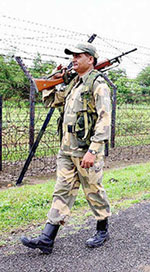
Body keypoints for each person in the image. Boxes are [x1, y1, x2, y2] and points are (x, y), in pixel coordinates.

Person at [21, 43, 112, 254]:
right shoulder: (73, 85)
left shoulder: (97, 84)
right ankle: (46, 238)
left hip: (86, 150)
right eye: (73, 56)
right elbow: (50, 99)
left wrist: (93, 150)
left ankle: (102, 230)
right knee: (61, 190)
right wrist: (55, 76)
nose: (74, 59)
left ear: (91, 59)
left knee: (93, 191)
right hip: (67, 150)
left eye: (78, 56)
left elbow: (105, 119)